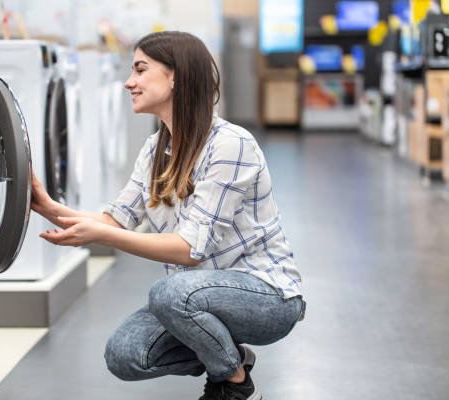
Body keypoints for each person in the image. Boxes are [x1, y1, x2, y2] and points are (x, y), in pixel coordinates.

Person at [30, 31, 305, 400]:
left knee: (169, 293)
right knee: (125, 353)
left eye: (141, 70)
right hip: (196, 295)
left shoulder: (230, 144)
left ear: (174, 76)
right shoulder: (154, 150)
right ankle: (231, 357)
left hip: (267, 296)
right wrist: (49, 207)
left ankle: (235, 384)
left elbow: (188, 250)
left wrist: (101, 237)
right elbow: (115, 219)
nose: (129, 82)